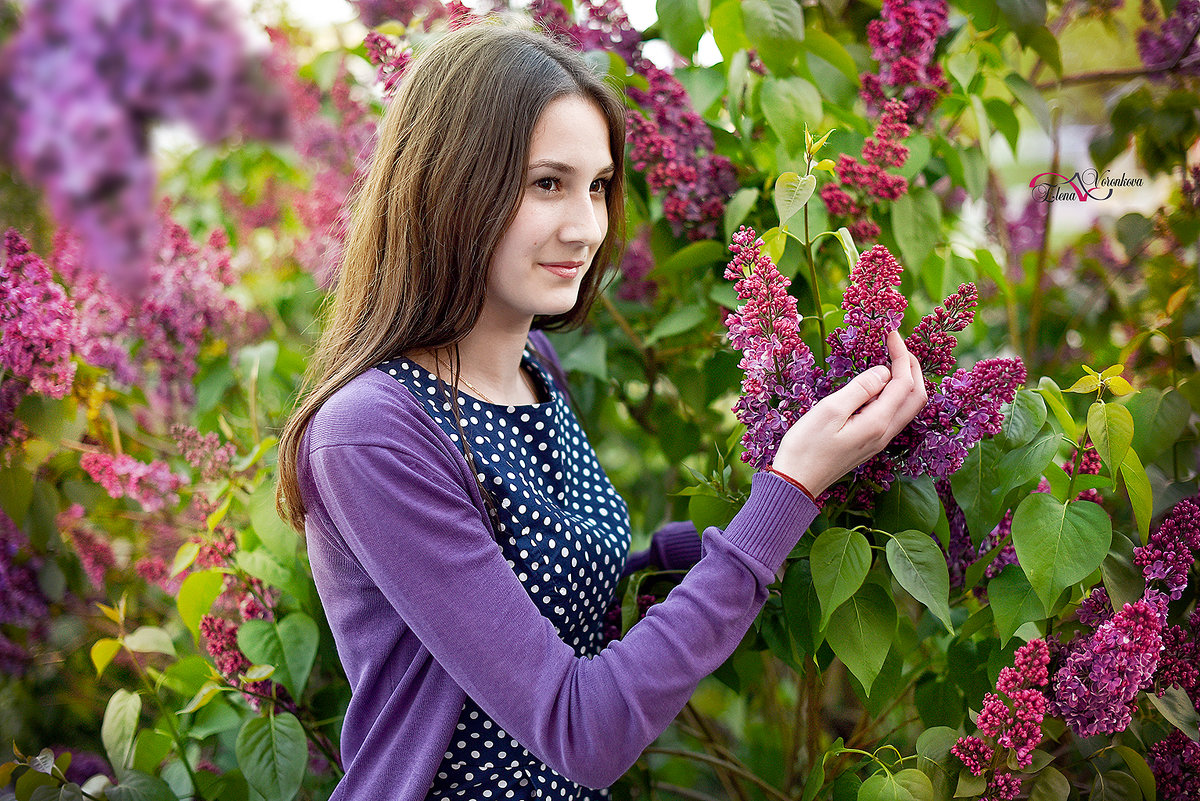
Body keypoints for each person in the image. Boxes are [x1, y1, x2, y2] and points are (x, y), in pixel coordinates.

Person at [275, 20, 927, 801]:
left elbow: (541, 581)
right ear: (450, 186)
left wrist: (795, 484)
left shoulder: (533, 370)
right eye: (546, 183)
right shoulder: (373, 432)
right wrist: (782, 497)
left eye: (598, 186)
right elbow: (581, 726)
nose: (586, 227)